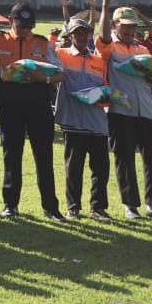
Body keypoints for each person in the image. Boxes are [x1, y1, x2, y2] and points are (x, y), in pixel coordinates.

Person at [0, 1, 64, 219]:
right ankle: (10, 205)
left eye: (29, 27)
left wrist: (43, 78)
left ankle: (51, 207)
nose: (25, 30)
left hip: (38, 102)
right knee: (11, 154)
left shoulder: (43, 43)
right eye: (20, 26)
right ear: (11, 21)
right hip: (10, 103)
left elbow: (61, 74)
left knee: (44, 155)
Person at [96, 0, 152, 221]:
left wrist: (151, 74)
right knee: (125, 158)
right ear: (114, 25)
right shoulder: (109, 48)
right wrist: (105, 5)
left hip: (147, 109)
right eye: (124, 26)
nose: (129, 30)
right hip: (120, 111)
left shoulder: (143, 50)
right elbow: (103, 36)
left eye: (132, 26)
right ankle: (130, 206)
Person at [53, 13, 110, 219]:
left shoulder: (100, 60)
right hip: (73, 121)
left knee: (101, 168)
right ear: (70, 36)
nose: (82, 37)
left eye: (85, 33)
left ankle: (98, 208)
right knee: (74, 167)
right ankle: (73, 207)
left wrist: (104, 96)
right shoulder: (60, 55)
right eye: (77, 33)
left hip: (98, 121)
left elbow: (106, 89)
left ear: (90, 35)